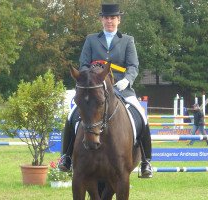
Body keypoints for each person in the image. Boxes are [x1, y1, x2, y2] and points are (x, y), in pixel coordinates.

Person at [58, 3, 152, 178]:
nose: (110, 21)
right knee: (72, 115)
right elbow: (84, 64)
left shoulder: (127, 40)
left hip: (121, 88)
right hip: (95, 88)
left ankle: (146, 162)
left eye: (113, 18)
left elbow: (133, 66)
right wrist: (90, 77)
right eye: (106, 18)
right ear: (102, 19)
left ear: (119, 20)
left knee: (141, 116)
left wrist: (127, 80)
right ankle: (66, 157)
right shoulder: (91, 39)